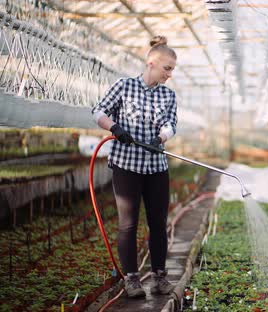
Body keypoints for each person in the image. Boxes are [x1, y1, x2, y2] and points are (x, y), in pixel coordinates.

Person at [91, 35, 178, 298]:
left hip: (155, 168)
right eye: (167, 68)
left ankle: (160, 277)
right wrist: (115, 128)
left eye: (172, 70)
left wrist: (160, 138)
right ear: (152, 62)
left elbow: (170, 125)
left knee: (158, 224)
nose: (170, 75)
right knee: (128, 224)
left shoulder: (168, 95)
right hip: (126, 165)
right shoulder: (123, 86)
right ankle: (132, 280)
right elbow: (98, 111)